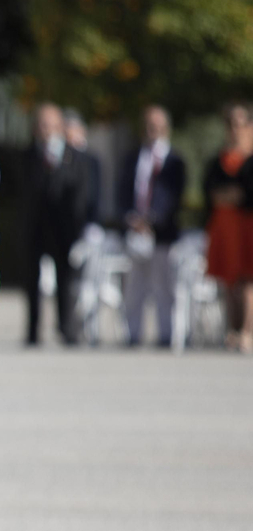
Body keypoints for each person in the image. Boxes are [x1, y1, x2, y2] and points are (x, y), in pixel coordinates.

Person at [21, 103, 91, 346]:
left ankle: (67, 328)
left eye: (51, 125)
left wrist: (79, 228)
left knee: (66, 282)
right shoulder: (28, 155)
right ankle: (33, 331)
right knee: (32, 282)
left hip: (64, 230)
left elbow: (82, 194)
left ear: (61, 127)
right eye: (41, 125)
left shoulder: (75, 157)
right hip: (35, 228)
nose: (46, 130)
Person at [118, 105, 186, 348]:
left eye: (157, 126)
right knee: (134, 288)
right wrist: (131, 219)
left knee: (163, 288)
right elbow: (124, 192)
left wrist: (152, 219)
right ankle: (132, 334)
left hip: (162, 234)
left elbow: (173, 197)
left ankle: (165, 335)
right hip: (135, 232)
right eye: (148, 125)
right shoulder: (132, 157)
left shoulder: (175, 161)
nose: (152, 130)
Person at [203, 103, 253, 352]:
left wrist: (234, 195)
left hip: (247, 227)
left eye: (240, 124)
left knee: (247, 281)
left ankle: (247, 331)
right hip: (224, 228)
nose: (235, 129)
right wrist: (232, 194)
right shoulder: (218, 161)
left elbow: (246, 194)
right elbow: (211, 193)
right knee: (229, 281)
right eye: (230, 124)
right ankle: (232, 330)